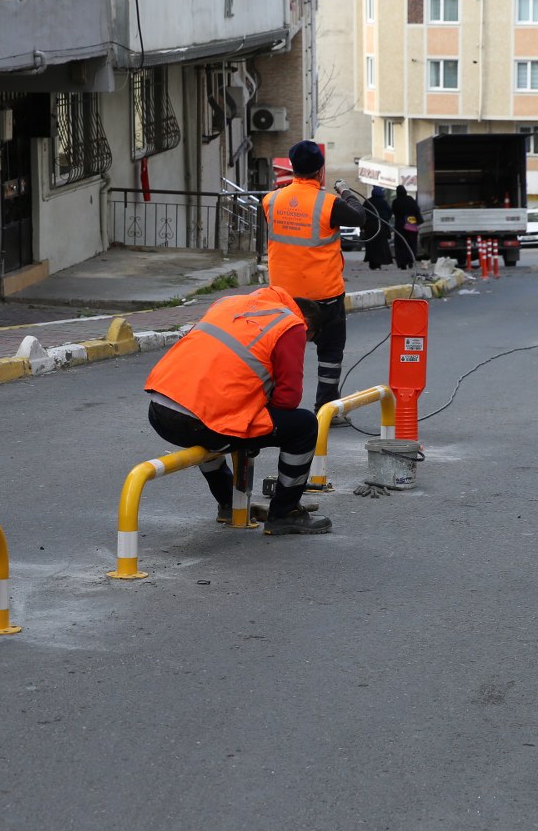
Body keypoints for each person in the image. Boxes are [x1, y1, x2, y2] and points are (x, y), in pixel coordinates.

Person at [145, 285, 330, 535]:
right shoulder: (291, 324)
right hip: (202, 422)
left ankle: (228, 504)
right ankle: (285, 512)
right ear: (307, 323)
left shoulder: (228, 303)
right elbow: (288, 399)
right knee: (305, 425)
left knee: (211, 417)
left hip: (160, 409)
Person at [261, 140, 370, 415]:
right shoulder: (329, 203)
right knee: (330, 354)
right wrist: (345, 191)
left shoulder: (270, 201)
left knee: (277, 353)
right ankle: (325, 409)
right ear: (321, 170)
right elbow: (360, 217)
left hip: (282, 298)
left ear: (293, 168)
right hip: (325, 296)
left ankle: (272, 407)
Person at [390, 183, 422, 270]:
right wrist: (418, 221)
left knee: (401, 245)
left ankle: (402, 263)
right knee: (411, 244)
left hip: (400, 226)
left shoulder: (396, 202)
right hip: (411, 225)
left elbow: (393, 212)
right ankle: (410, 260)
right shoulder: (410, 199)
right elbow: (416, 210)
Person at [364, 187, 394, 271]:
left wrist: (364, 226)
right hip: (381, 228)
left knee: (371, 246)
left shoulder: (368, 202)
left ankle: (372, 264)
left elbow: (363, 214)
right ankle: (379, 263)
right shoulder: (383, 203)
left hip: (370, 228)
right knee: (380, 246)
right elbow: (389, 213)